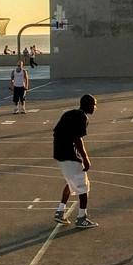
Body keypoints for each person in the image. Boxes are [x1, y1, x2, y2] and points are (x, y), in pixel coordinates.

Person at [53, 94, 98, 228]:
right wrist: (85, 158)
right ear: (88, 105)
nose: (95, 107)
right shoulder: (82, 117)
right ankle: (81, 218)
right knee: (84, 187)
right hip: (69, 156)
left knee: (70, 182)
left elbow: (56, 131)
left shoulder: (69, 114)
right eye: (94, 105)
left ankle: (60, 211)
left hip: (59, 154)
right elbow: (78, 139)